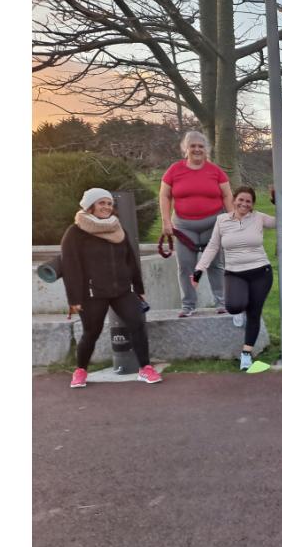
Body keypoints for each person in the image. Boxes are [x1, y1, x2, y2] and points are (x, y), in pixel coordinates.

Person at [61, 188, 162, 388]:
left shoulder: (116, 228)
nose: (107, 207)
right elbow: (70, 267)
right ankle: (80, 370)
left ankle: (145, 368)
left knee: (137, 323)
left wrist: (138, 287)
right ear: (90, 206)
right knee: (91, 332)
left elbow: (130, 259)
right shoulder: (75, 232)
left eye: (109, 203)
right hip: (92, 293)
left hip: (122, 291)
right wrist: (74, 299)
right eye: (101, 203)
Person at [193, 186, 276, 370]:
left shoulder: (258, 217)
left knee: (254, 313)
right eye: (241, 200)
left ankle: (246, 355)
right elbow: (213, 246)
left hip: (261, 272)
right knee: (233, 306)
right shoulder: (222, 220)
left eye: (248, 201)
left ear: (252, 204)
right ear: (234, 200)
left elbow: (281, 223)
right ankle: (240, 306)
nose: (244, 204)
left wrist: (277, 201)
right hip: (234, 272)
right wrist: (200, 269)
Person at [160, 131, 233, 317]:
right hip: (184, 227)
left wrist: (232, 219)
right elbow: (164, 195)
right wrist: (166, 221)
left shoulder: (215, 171)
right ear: (186, 149)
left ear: (206, 149)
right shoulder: (174, 170)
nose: (197, 149)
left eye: (201, 146)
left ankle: (221, 303)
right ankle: (188, 305)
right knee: (185, 266)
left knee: (216, 265)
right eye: (192, 146)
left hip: (213, 224)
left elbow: (226, 195)